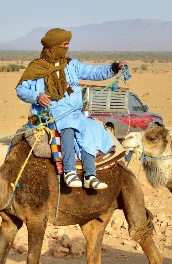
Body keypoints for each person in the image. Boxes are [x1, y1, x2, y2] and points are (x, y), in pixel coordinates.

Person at [16, 28, 126, 190]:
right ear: (53, 46)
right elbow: (21, 89)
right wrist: (37, 96)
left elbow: (93, 72)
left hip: (75, 112)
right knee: (68, 128)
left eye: (67, 45)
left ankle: (90, 175)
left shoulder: (71, 64)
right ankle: (69, 171)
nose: (66, 48)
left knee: (91, 128)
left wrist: (114, 68)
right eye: (63, 45)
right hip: (51, 114)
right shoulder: (36, 68)